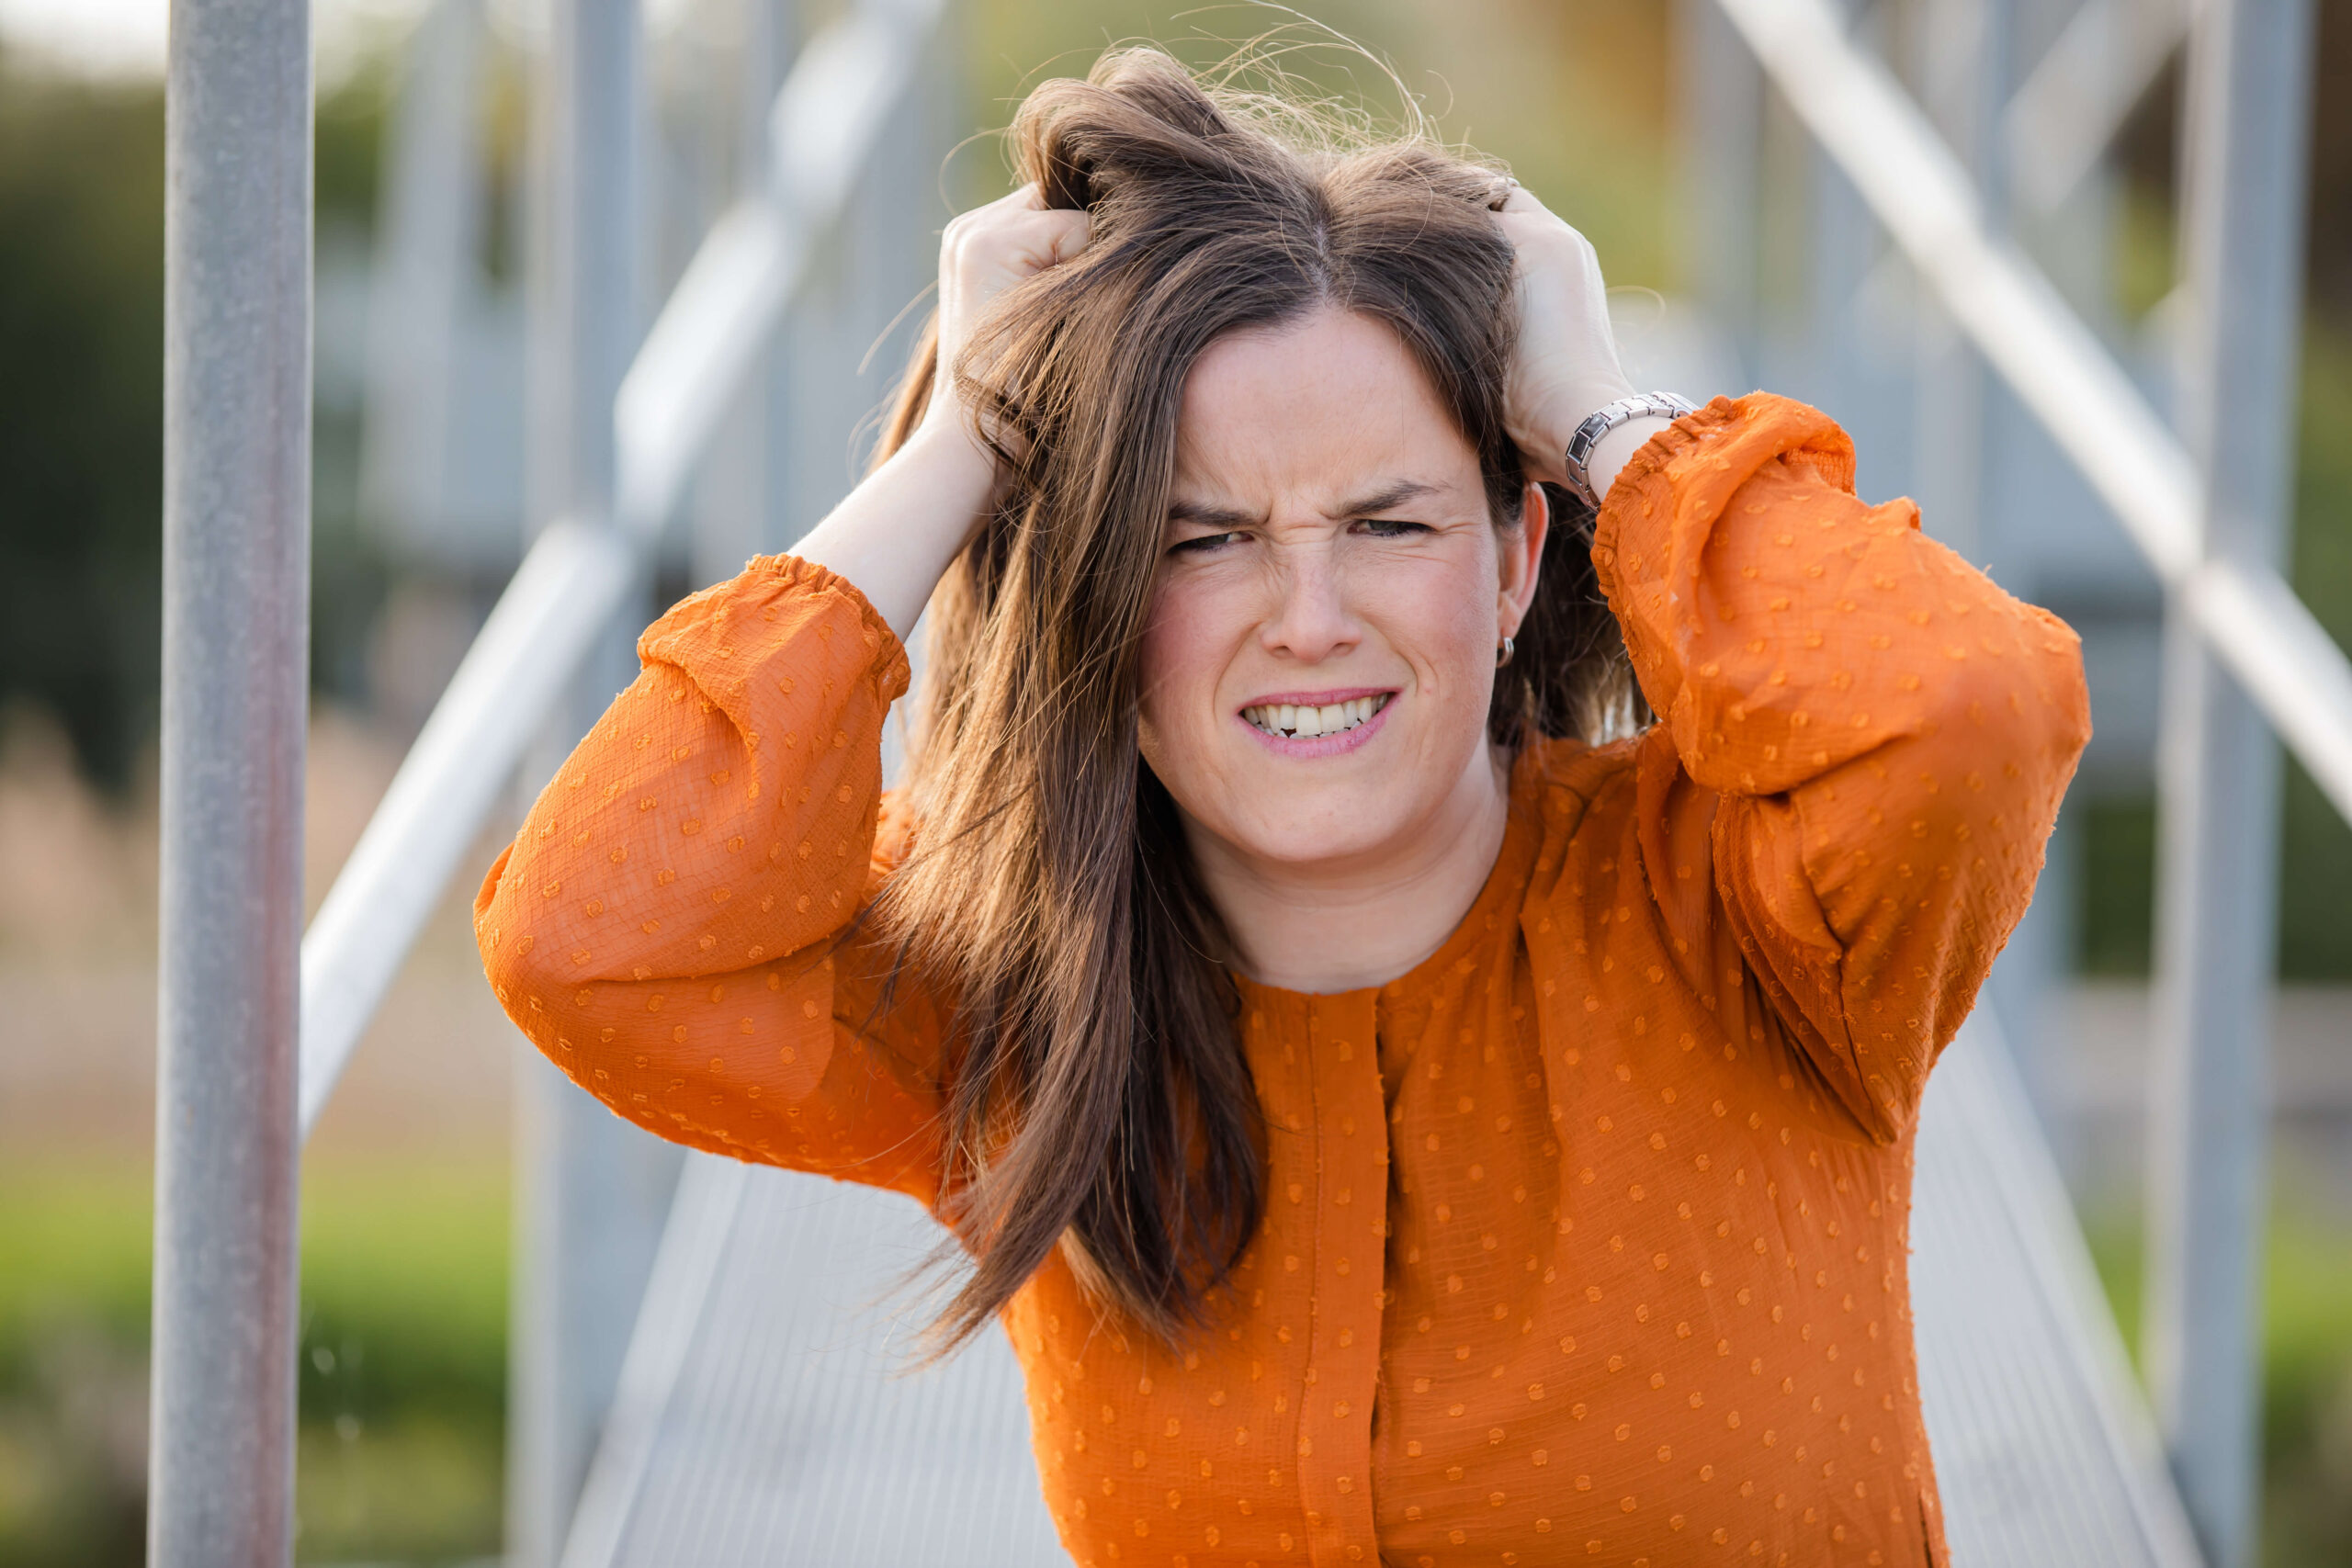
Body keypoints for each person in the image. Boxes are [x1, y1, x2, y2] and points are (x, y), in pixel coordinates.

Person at [477, 46, 2088, 1568]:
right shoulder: (1007, 1007)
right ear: (1100, 593)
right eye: (1201, 539)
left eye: (1388, 525)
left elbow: (1970, 703)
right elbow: (589, 940)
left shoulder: (1757, 913)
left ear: (1524, 556)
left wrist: (1603, 410)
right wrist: (968, 433)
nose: (1305, 615)